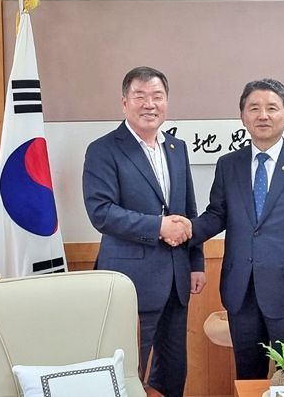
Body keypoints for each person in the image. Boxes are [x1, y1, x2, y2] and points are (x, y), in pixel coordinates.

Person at [191, 78, 284, 379]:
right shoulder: (228, 165)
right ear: (243, 116)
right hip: (241, 291)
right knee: (248, 375)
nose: (263, 115)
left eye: (272, 108)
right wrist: (186, 230)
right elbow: (217, 215)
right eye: (254, 108)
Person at [83, 66, 205, 397]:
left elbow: (189, 210)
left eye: (157, 96)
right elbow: (101, 212)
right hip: (130, 281)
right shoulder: (103, 149)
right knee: (127, 372)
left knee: (173, 370)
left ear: (167, 102)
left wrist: (196, 263)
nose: (149, 104)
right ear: (125, 102)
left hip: (177, 280)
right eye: (140, 96)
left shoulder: (177, 148)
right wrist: (158, 226)